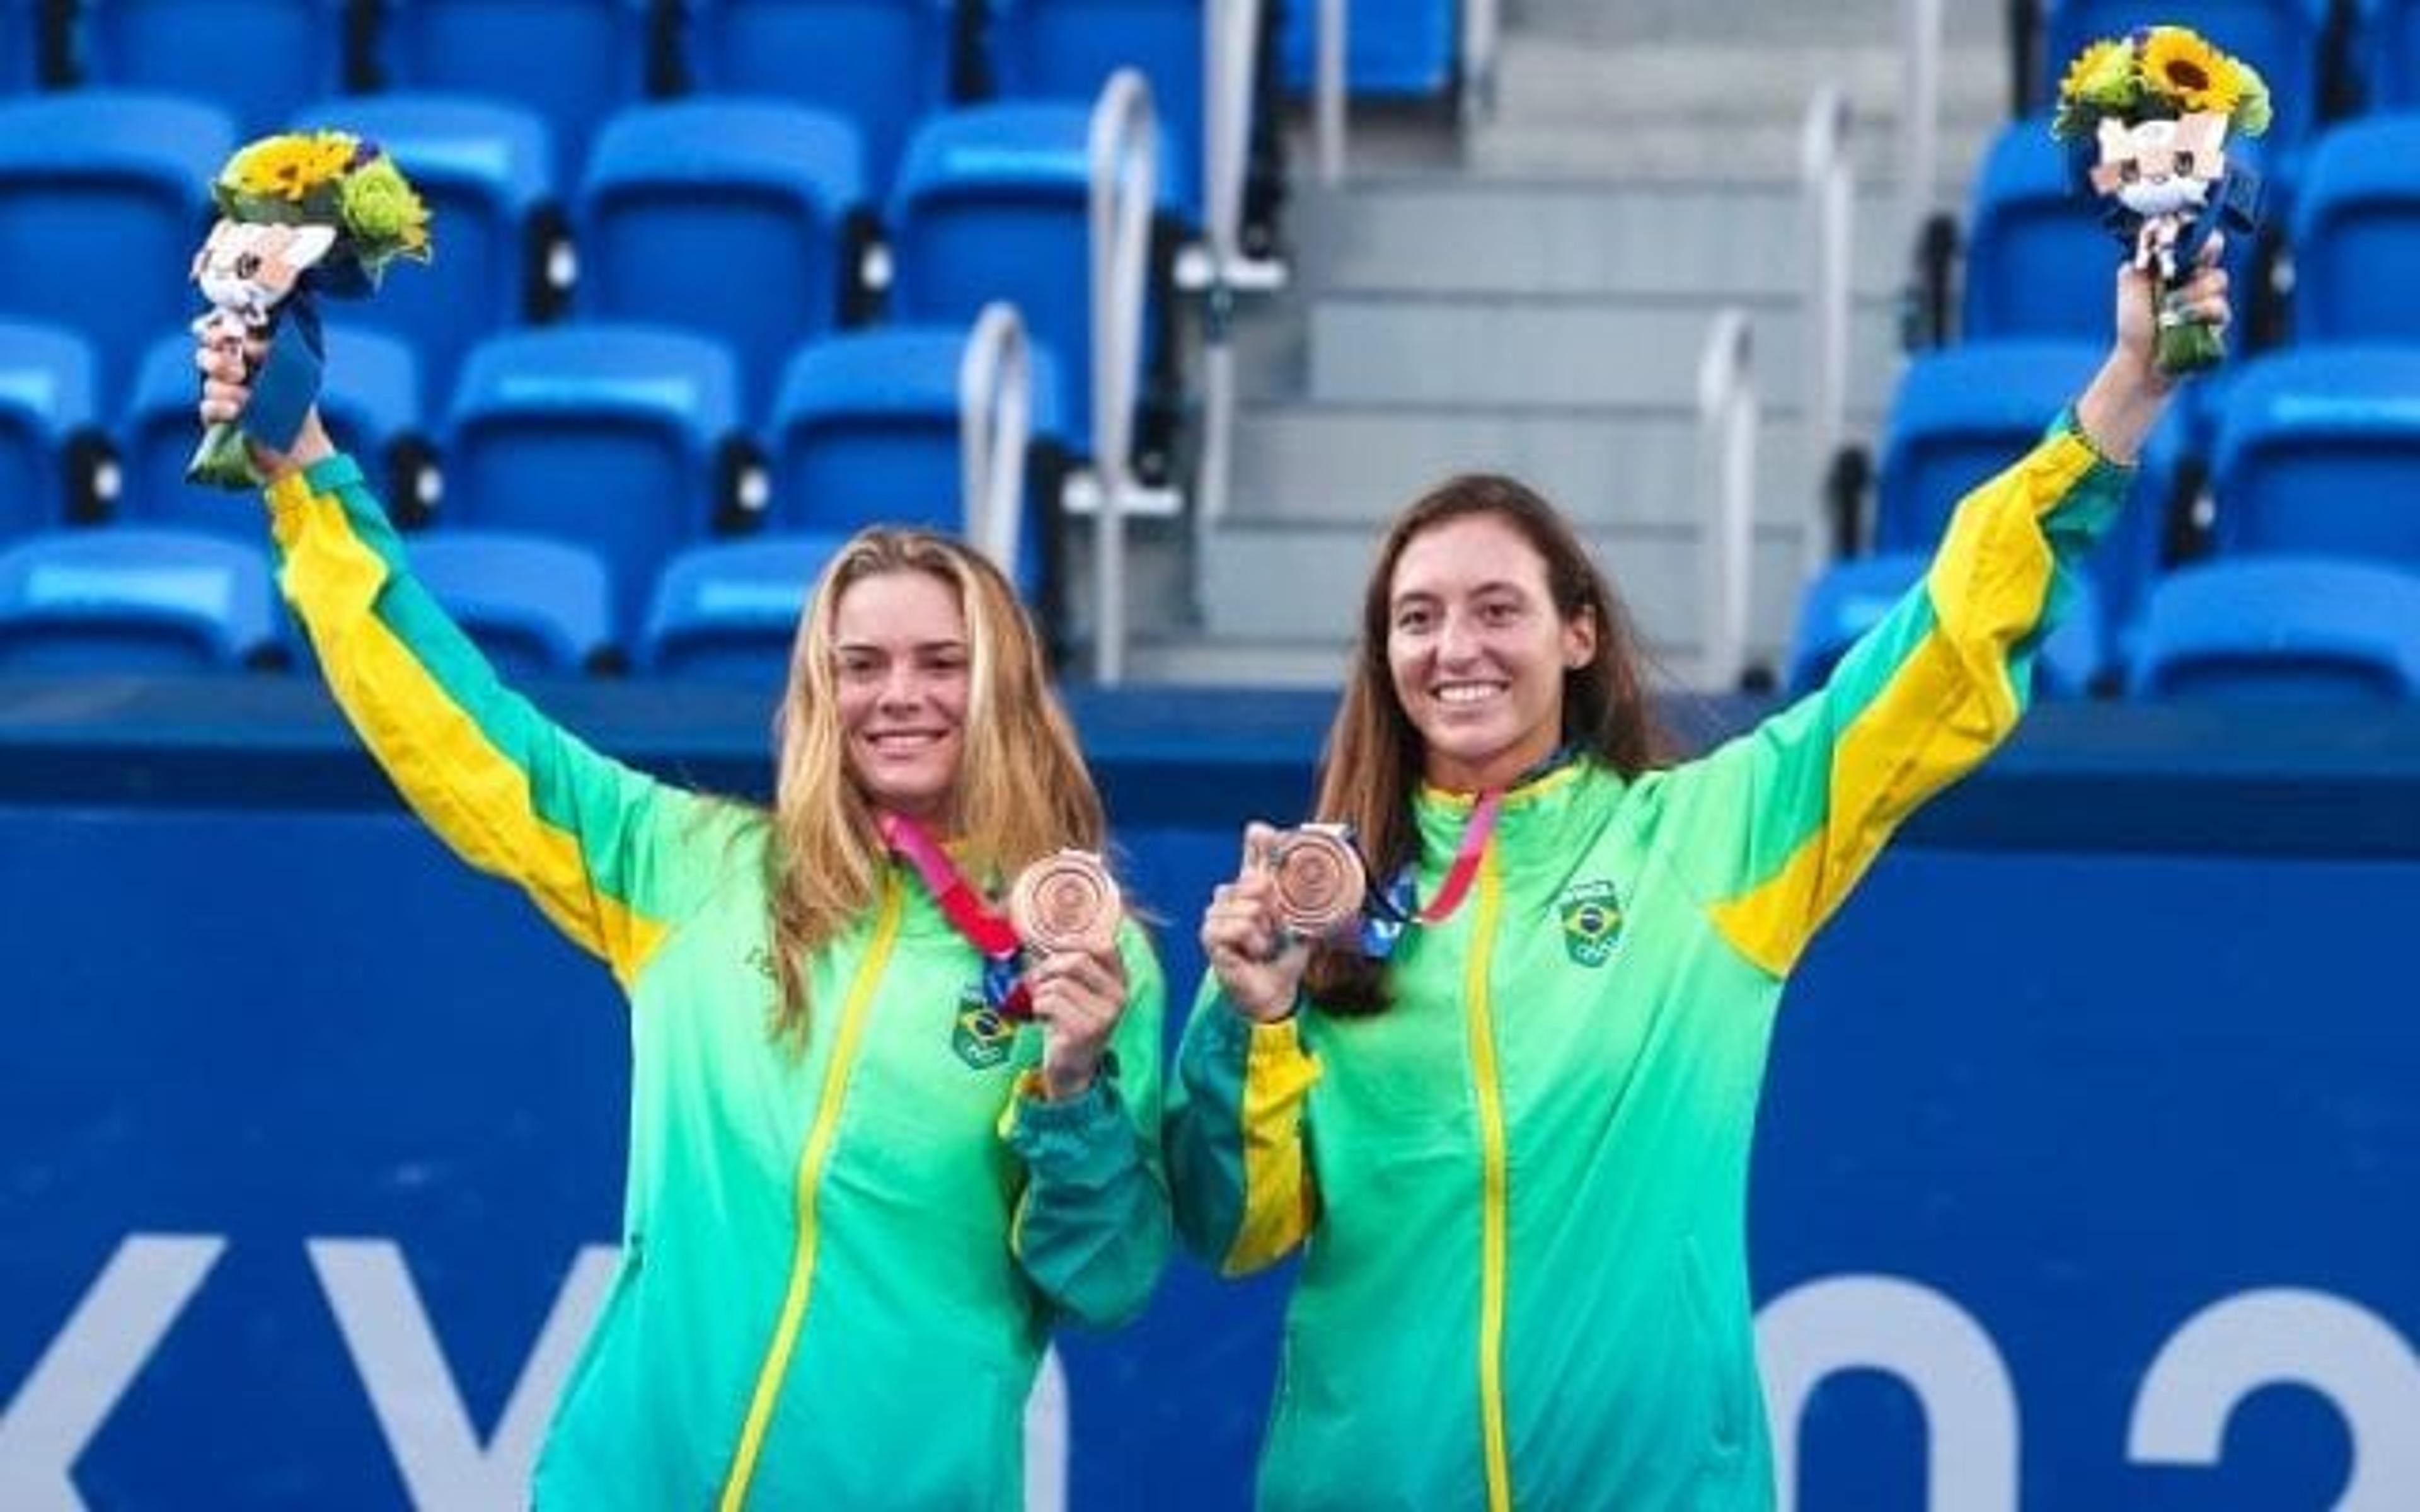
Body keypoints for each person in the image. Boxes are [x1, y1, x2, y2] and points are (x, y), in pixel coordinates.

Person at [1165, 242, 2233, 1508]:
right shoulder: (1318, 905)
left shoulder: (1712, 838)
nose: (1456, 647)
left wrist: (2122, 395)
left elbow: (1943, 644)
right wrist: (1255, 1018)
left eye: (1497, 609)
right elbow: (1236, 1226)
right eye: (1418, 617)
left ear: (1578, 632)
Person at [197, 339, 1171, 1508]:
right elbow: (463, 723)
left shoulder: (1085, 955)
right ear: (821, 691)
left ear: (1004, 685)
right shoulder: (696, 868)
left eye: (940, 663)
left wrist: (1073, 1092)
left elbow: (1107, 1280)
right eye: (859, 665)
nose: (897, 695)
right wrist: (306, 473)